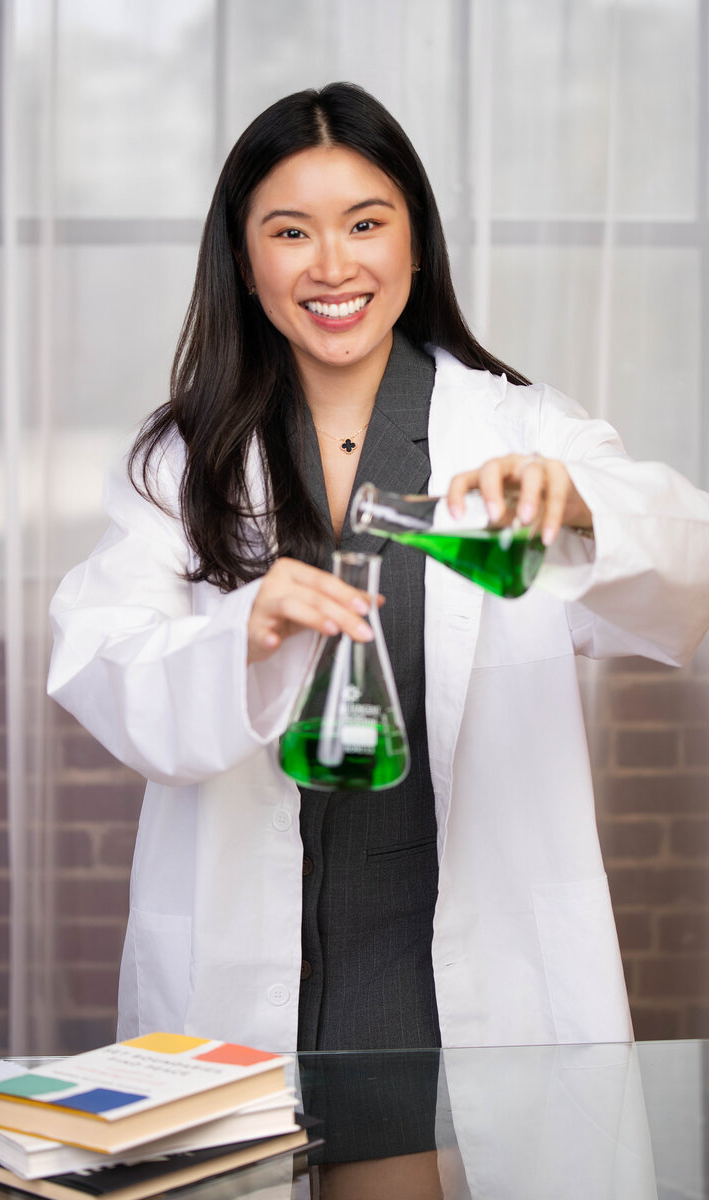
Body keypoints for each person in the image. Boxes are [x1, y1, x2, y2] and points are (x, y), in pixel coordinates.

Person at [48, 82, 709, 1053]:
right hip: (248, 963)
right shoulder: (182, 460)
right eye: (288, 232)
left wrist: (575, 501)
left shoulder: (518, 428)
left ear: (413, 241)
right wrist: (245, 630)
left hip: (446, 972)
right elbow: (101, 664)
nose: (331, 265)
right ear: (242, 256)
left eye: (364, 222)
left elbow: (685, 572)